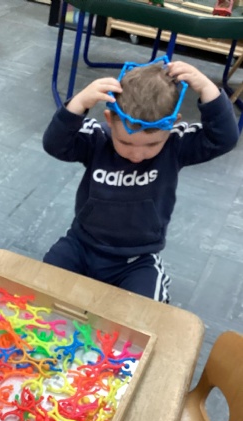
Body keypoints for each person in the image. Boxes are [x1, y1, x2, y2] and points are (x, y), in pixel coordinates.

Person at [42, 58, 239, 302]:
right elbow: (54, 144)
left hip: (135, 260)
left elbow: (224, 139)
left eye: (152, 144)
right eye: (125, 142)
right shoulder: (97, 137)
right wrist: (78, 104)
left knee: (147, 312)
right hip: (81, 246)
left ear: (173, 124)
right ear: (109, 119)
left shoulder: (175, 144)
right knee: (39, 284)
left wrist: (208, 89)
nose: (137, 155)